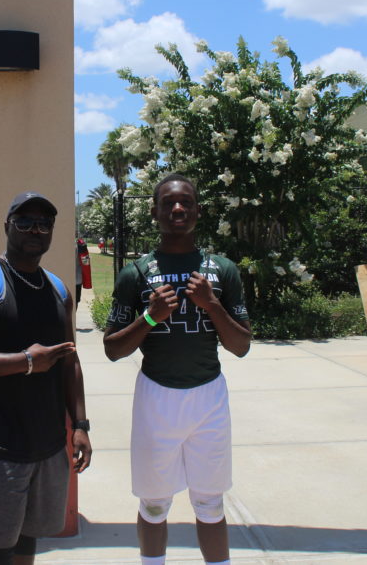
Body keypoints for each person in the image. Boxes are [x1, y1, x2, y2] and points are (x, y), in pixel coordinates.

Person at [103, 174, 251, 565]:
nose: (178, 208)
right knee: (154, 504)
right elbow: (113, 349)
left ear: (198, 210)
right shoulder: (136, 273)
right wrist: (151, 317)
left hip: (208, 396)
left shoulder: (222, 270)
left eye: (185, 201)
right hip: (157, 396)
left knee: (210, 502)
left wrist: (212, 305)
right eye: (168, 203)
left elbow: (241, 346)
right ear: (155, 212)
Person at [0, 191, 92, 565]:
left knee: (27, 541)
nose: (35, 230)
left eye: (44, 223)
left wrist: (80, 425)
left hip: (46, 445)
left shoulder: (58, 290)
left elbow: (69, 362)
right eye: (24, 222)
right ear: (7, 226)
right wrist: (24, 362)